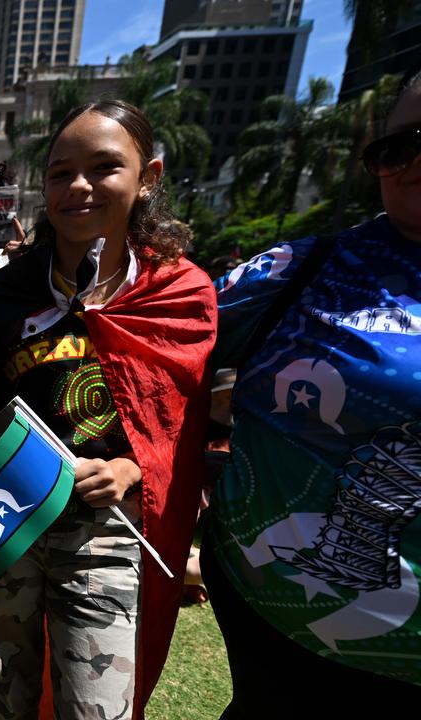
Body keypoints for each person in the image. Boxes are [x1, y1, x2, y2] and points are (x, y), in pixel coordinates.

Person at [0, 99, 216, 720]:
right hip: (9, 523)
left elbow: (174, 429)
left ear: (148, 178)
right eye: (60, 172)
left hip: (105, 532)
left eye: (104, 167)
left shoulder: (177, 292)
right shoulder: (5, 292)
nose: (78, 187)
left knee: (96, 709)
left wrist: (132, 471)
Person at [201, 65, 421, 715]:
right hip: (271, 619)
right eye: (396, 147)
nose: (414, 161)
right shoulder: (302, 268)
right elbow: (163, 357)